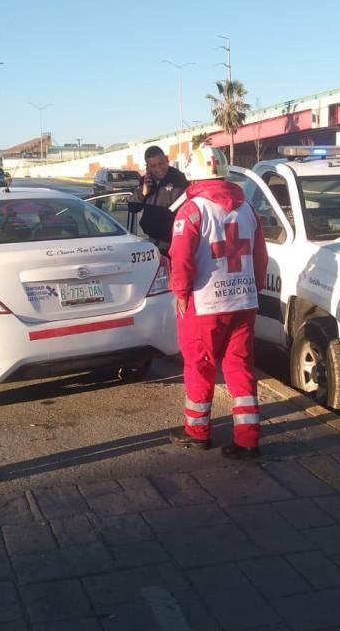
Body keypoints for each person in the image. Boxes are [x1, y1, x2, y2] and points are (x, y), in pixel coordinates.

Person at [167, 146, 268, 460]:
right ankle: (248, 439)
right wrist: (254, 289)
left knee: (200, 365)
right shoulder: (247, 208)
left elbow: (180, 259)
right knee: (239, 367)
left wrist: (181, 294)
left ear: (193, 174)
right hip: (243, 300)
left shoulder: (192, 210)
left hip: (205, 303)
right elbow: (261, 256)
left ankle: (197, 432)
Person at [128, 145, 188, 254]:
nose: (158, 169)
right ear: (148, 167)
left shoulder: (179, 178)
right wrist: (144, 192)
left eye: (161, 164)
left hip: (175, 243)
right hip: (152, 244)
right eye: (153, 166)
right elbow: (132, 207)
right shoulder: (145, 181)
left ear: (167, 159)